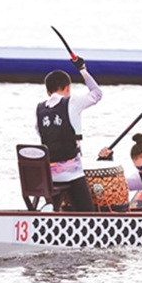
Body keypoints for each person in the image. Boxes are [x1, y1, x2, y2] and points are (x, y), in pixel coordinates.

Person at [35, 58, 102, 212]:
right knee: (87, 213)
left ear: (47, 92)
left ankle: (51, 211)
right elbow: (97, 94)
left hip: (49, 177)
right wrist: (83, 70)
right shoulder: (72, 101)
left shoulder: (38, 110)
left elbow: (40, 134)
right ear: (68, 88)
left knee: (57, 205)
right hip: (73, 173)